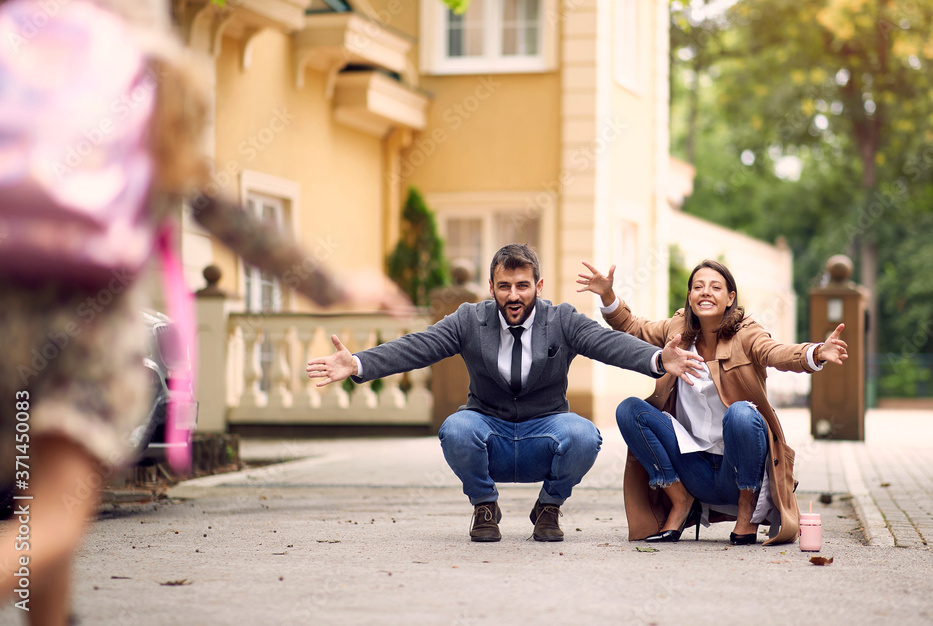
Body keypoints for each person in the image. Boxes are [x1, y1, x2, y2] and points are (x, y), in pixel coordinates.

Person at [0, 2, 406, 624]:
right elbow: (225, 217)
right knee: (50, 516)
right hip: (88, 337)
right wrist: (333, 286)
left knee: (36, 509)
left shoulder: (15, 57)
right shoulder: (149, 74)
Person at [307, 244, 705, 543]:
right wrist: (358, 363)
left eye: (522, 286)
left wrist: (657, 359)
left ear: (539, 286)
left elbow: (607, 344)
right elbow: (418, 345)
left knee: (584, 435)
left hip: (545, 432)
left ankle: (548, 508)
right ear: (492, 287)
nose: (513, 296)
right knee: (455, 429)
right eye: (504, 286)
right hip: (488, 428)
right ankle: (484, 506)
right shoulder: (469, 319)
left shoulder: (561, 319)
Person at [577, 259, 848, 546]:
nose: (705, 292)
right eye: (698, 287)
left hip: (738, 469)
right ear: (691, 297)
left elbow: (775, 352)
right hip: (693, 468)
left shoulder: (746, 332)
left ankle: (747, 511)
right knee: (630, 409)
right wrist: (607, 295)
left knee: (742, 413)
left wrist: (817, 352)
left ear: (730, 298)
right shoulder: (677, 329)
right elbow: (632, 327)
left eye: (715, 287)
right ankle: (679, 498)